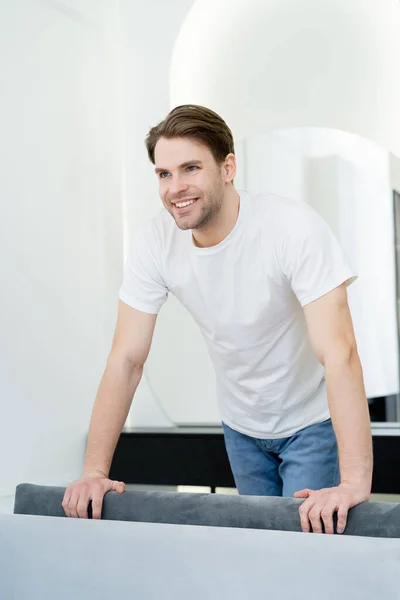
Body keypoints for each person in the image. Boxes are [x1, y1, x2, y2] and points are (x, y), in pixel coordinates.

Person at [62, 105, 373, 534]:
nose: (176, 187)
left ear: (228, 167)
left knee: (305, 559)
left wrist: (355, 482)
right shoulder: (156, 240)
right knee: (261, 556)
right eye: (164, 174)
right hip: (240, 426)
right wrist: (94, 471)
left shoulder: (290, 227)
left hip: (312, 422)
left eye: (190, 168)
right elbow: (126, 359)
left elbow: (341, 353)